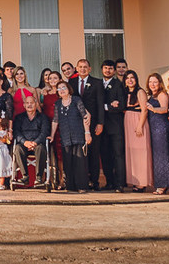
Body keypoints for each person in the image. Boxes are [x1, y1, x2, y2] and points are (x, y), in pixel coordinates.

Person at [50, 80, 92, 193]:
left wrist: (87, 133)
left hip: (78, 135)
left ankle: (82, 186)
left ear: (69, 89)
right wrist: (52, 135)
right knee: (68, 161)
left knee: (80, 162)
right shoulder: (58, 103)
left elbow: (85, 116)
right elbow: (55, 120)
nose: (62, 90)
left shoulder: (76, 100)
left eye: (64, 87)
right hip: (65, 136)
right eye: (59, 89)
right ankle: (71, 186)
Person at [73, 59, 104, 189]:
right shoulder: (72, 82)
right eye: (80, 67)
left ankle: (95, 181)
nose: (83, 69)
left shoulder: (97, 83)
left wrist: (100, 123)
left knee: (93, 152)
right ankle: (82, 180)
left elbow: (100, 104)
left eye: (85, 67)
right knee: (81, 153)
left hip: (93, 123)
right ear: (77, 68)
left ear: (90, 69)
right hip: (76, 123)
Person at [99, 59, 127, 192]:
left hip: (116, 126)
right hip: (101, 126)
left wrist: (105, 106)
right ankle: (109, 182)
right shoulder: (98, 84)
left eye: (110, 68)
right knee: (105, 155)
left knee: (118, 155)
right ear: (102, 70)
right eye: (105, 68)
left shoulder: (118, 85)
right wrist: (109, 105)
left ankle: (120, 184)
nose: (108, 70)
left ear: (114, 71)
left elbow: (121, 105)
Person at [122, 70, 153, 191]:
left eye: (132, 78)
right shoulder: (125, 92)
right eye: (127, 78)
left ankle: (142, 182)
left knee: (141, 151)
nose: (130, 80)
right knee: (132, 151)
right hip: (128, 120)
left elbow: (145, 110)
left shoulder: (140, 92)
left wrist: (140, 126)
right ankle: (135, 180)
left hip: (138, 120)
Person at [11, 94, 50, 187]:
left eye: (31, 103)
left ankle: (39, 177)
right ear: (24, 105)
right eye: (27, 103)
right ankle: (25, 177)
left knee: (41, 149)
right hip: (24, 143)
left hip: (38, 143)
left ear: (36, 104)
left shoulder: (43, 117)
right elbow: (16, 132)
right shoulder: (19, 117)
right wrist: (25, 142)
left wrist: (35, 142)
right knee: (17, 148)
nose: (29, 105)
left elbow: (44, 132)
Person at [145, 73, 169, 194]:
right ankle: (162, 184)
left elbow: (164, 109)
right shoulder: (151, 95)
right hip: (153, 128)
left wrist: (152, 108)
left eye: (155, 82)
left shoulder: (162, 94)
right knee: (157, 157)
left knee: (163, 156)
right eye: (150, 82)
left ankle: (164, 185)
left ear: (160, 83)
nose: (152, 84)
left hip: (161, 128)